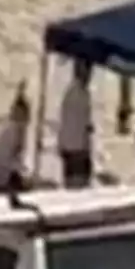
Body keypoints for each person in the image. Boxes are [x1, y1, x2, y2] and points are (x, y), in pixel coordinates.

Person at [58, 60, 94, 189]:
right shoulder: (78, 93)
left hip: (75, 146)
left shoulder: (79, 92)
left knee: (77, 183)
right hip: (76, 147)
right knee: (77, 184)